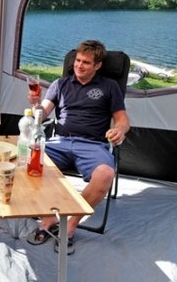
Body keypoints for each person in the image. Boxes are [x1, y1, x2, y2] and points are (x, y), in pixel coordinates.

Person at [26, 39, 130, 254]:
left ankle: (70, 224)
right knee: (28, 161)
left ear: (98, 66)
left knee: (105, 174)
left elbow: (122, 120)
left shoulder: (109, 86)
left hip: (92, 145)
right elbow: (42, 115)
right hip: (59, 142)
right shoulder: (60, 84)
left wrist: (120, 130)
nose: (79, 65)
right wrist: (35, 104)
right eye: (78, 60)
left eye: (86, 62)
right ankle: (49, 217)